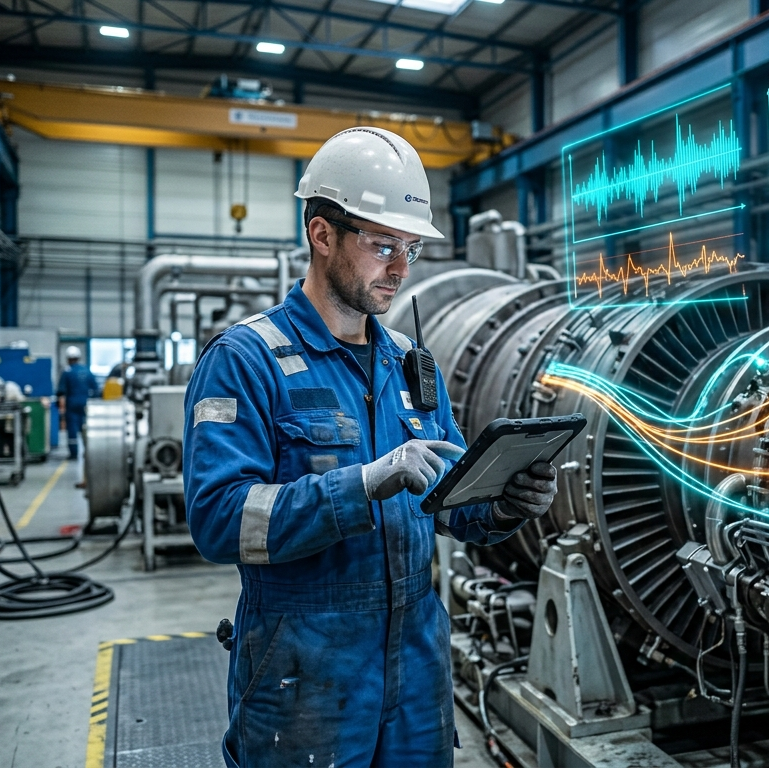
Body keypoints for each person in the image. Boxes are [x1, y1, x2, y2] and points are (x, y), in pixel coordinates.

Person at [183, 127, 558, 768]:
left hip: (416, 667)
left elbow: (454, 503)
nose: (402, 269)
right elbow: (220, 521)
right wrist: (361, 485)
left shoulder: (412, 366)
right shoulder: (245, 360)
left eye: (410, 247)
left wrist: (506, 503)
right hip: (304, 670)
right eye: (384, 245)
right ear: (321, 234)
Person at [56, 346, 98, 470]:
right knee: (87, 429)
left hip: (72, 405)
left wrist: (61, 409)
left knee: (73, 430)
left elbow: (61, 392)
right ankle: (89, 451)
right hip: (86, 404)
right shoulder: (87, 370)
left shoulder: (67, 372)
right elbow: (95, 389)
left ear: (68, 359)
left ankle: (74, 454)